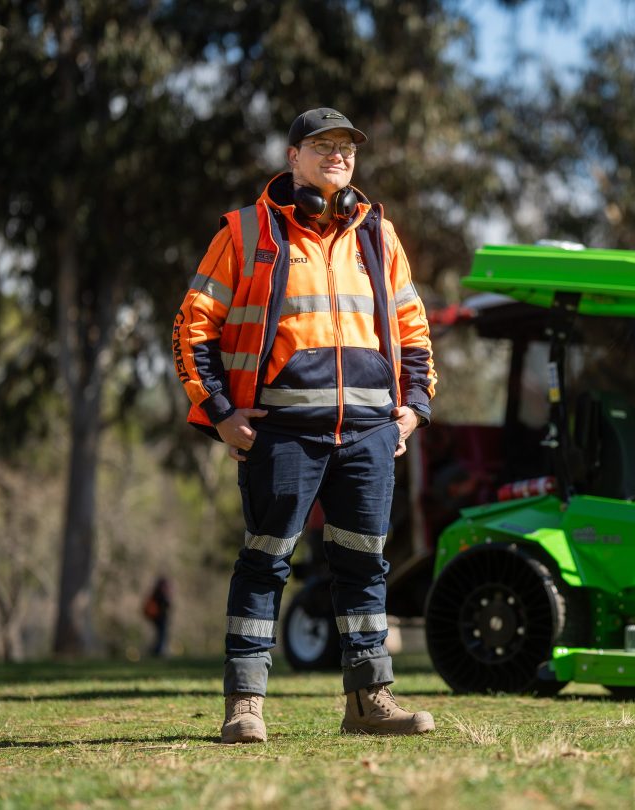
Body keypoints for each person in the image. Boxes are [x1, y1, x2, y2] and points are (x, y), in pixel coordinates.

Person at [172, 107, 437, 743]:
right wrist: (220, 413)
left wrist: (414, 406)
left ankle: (370, 703)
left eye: (347, 146)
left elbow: (411, 326)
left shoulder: (378, 233)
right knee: (266, 562)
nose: (338, 155)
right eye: (323, 145)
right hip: (281, 433)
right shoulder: (244, 231)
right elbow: (192, 326)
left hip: (372, 432)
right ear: (293, 157)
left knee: (364, 566)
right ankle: (245, 708)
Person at [143, 576, 173, 658]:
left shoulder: (155, 593)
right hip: (159, 618)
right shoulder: (160, 594)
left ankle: (157, 651)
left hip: (157, 618)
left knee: (160, 635)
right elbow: (166, 605)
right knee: (161, 635)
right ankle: (158, 651)